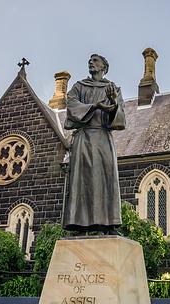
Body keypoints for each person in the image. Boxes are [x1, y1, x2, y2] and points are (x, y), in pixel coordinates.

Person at [62, 54, 126, 233]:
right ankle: (80, 225)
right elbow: (72, 107)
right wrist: (95, 106)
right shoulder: (79, 86)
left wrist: (113, 103)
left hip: (103, 137)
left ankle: (108, 225)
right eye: (90, 60)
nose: (91, 62)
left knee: (107, 180)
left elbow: (120, 118)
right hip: (83, 139)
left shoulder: (112, 88)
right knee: (82, 181)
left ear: (104, 66)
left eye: (95, 60)